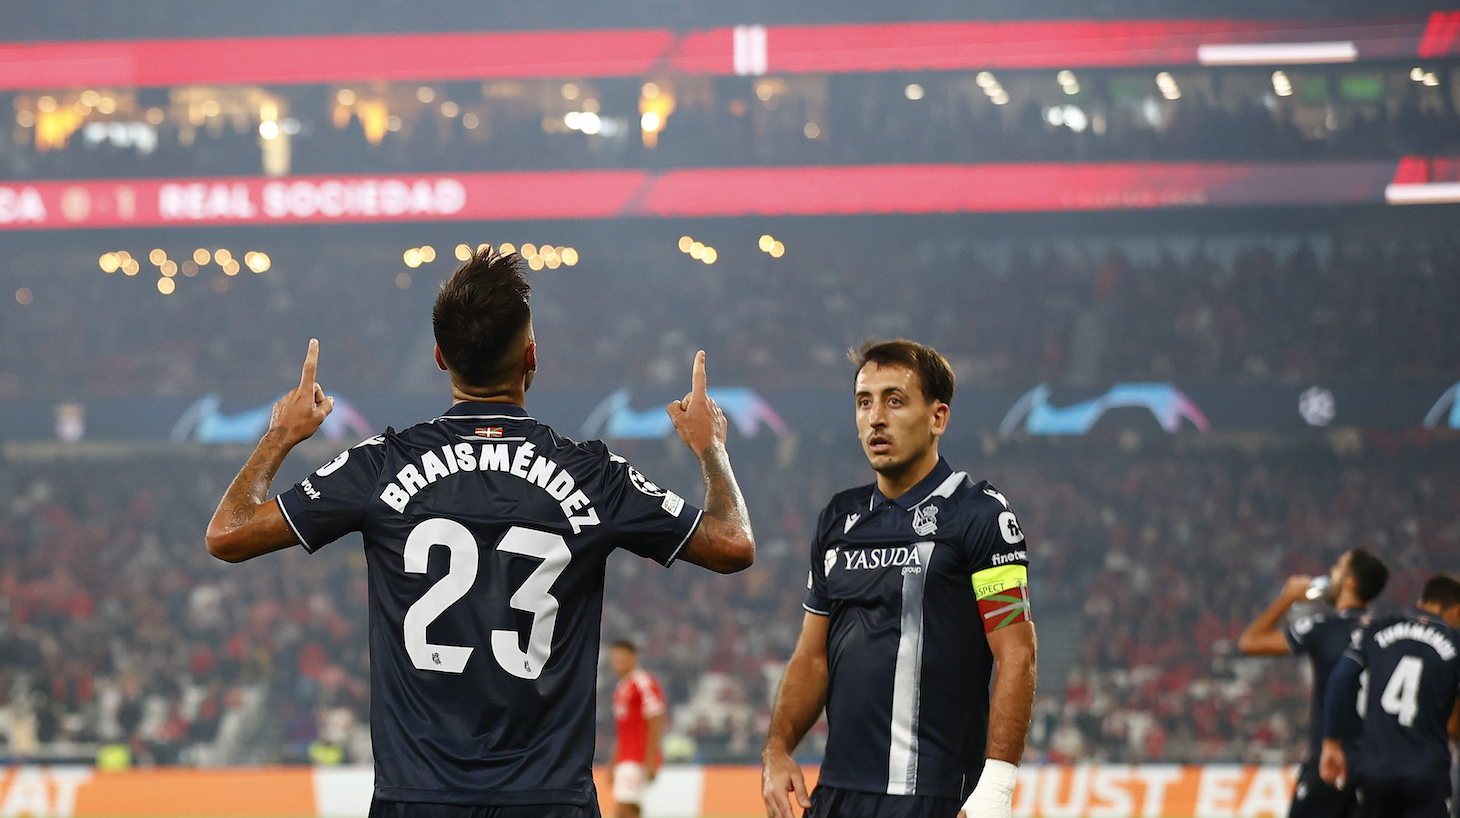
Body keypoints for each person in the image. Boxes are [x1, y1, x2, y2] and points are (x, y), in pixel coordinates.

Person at [203, 249, 755, 817]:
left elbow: (228, 533)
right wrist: (710, 448)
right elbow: (733, 543)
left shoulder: (379, 466)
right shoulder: (593, 475)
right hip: (547, 801)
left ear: (440, 358)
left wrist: (280, 437)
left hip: (417, 800)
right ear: (532, 356)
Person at [760, 339, 1037, 818]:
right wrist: (778, 748)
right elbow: (811, 656)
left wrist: (997, 784)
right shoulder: (838, 518)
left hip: (934, 795)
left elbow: (1016, 651)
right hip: (836, 796)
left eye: (894, 400)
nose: (875, 418)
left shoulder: (980, 514)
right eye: (864, 402)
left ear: (938, 418)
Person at [1237, 549, 1389, 818]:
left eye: (1338, 568)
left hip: (1330, 764)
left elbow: (1250, 642)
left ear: (1350, 582)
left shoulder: (1322, 628)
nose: (1330, 574)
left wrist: (1287, 598)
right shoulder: (1386, 635)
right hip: (1379, 768)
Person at [1321, 574, 1460, 818]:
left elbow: (1339, 681)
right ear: (1457, 611)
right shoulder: (1455, 643)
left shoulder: (1375, 630)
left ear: (1421, 603)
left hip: (1376, 769)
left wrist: (1331, 741)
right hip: (1427, 771)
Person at [608, 640, 666, 818]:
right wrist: (613, 762)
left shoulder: (643, 682)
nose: (618, 663)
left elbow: (655, 717)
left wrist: (650, 758)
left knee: (623, 810)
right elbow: (623, 730)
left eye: (622, 658)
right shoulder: (621, 687)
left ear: (633, 658)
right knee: (631, 810)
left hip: (637, 757)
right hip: (625, 758)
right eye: (615, 659)